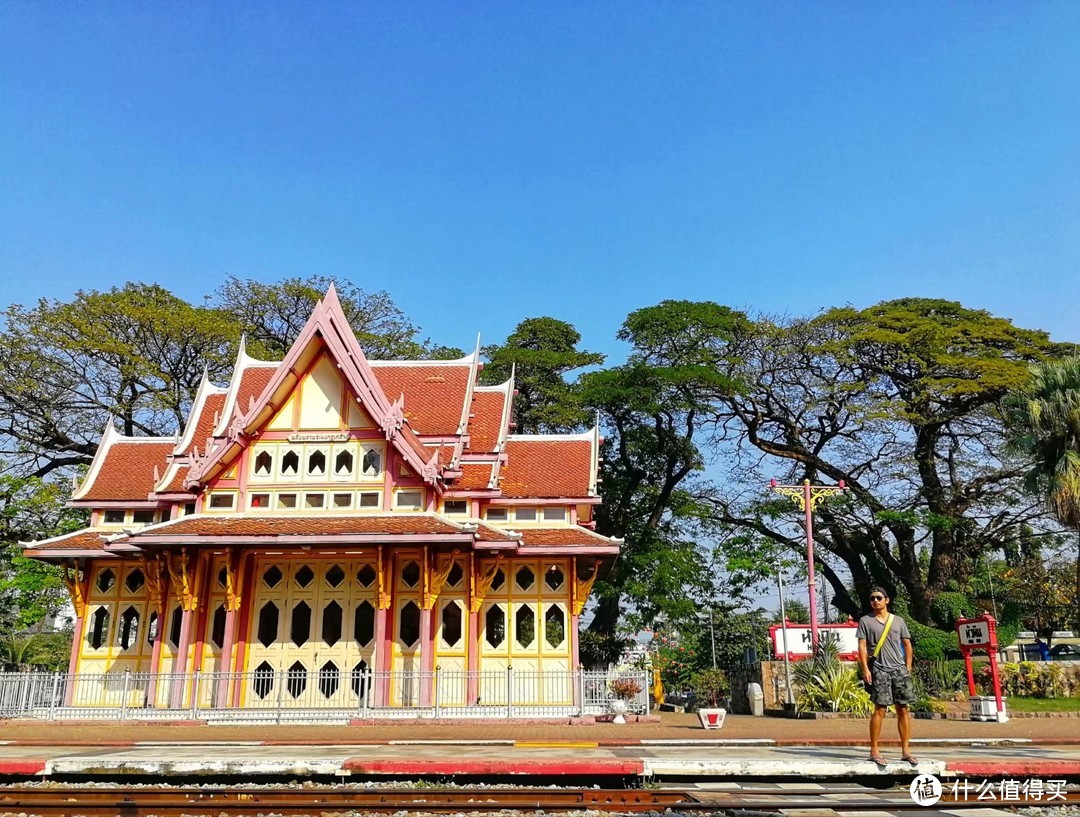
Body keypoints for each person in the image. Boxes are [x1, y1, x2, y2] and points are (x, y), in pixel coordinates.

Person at [857, 587, 916, 767]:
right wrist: (865, 669)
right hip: (879, 669)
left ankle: (906, 751)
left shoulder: (898, 621)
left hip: (898, 669)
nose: (875, 601)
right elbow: (862, 646)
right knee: (879, 709)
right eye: (872, 598)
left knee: (903, 709)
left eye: (879, 598)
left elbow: (907, 644)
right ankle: (874, 750)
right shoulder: (865, 621)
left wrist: (908, 666)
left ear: (887, 600)